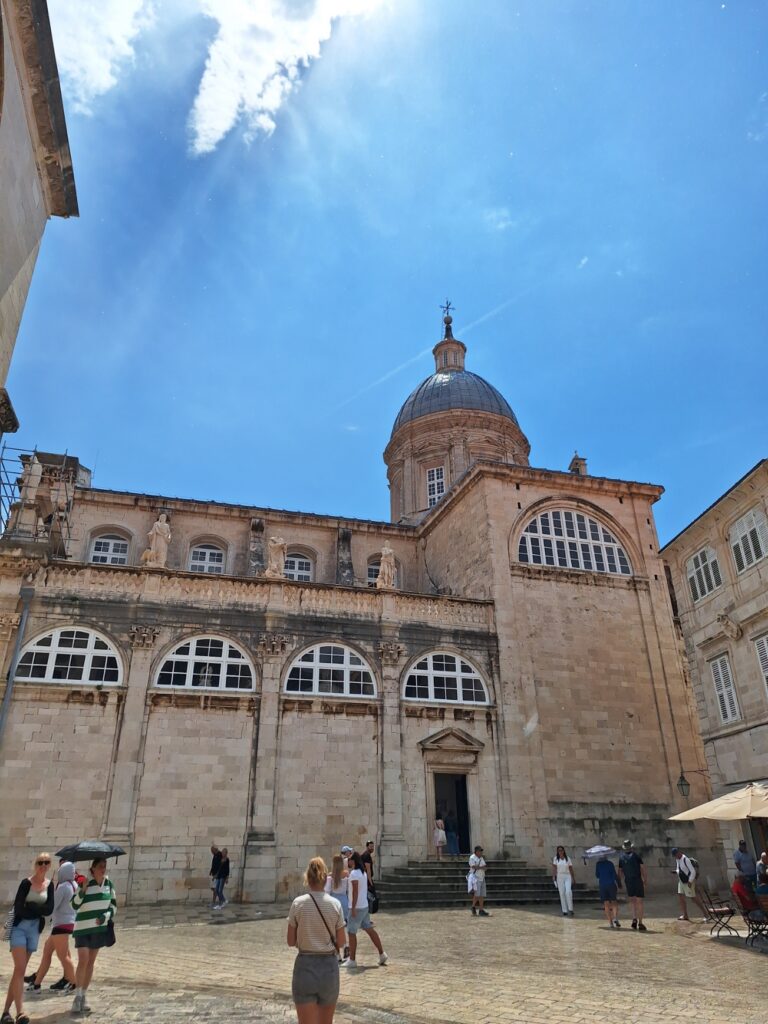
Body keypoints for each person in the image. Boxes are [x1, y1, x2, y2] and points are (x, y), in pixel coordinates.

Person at [287, 857, 346, 1024]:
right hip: (328, 968)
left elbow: (291, 941)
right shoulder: (335, 905)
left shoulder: (298, 904)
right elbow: (341, 942)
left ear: (307, 878)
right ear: (324, 878)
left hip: (305, 967)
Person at [2, 852, 54, 1024]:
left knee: (20, 971)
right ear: (35, 864)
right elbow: (19, 908)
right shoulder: (26, 883)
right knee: (20, 967)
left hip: (34, 930)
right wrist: (37, 908)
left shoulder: (49, 885)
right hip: (20, 927)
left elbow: (49, 909)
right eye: (40, 862)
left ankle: (5, 1013)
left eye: (46, 862)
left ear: (49, 865)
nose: (43, 865)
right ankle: (20, 1012)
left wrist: (32, 906)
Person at [71, 857, 117, 1015]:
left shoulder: (109, 885)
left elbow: (113, 906)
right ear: (93, 869)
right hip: (83, 928)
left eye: (104, 866)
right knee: (83, 960)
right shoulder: (85, 883)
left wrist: (106, 916)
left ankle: (84, 995)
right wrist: (82, 891)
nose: (103, 869)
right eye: (100, 866)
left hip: (98, 928)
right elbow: (74, 904)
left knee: (90, 962)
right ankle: (77, 996)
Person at [25, 861, 77, 994]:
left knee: (63, 956)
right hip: (66, 922)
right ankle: (36, 985)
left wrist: (50, 891)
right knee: (47, 952)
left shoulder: (64, 887)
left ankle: (75, 984)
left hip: (61, 924)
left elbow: (53, 904)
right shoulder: (74, 885)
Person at [343, 852, 388, 968]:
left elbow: (355, 891)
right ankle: (382, 953)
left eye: (349, 859)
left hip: (356, 907)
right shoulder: (362, 873)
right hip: (364, 906)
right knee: (369, 929)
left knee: (351, 932)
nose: (348, 862)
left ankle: (352, 960)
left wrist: (352, 908)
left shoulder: (354, 874)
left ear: (353, 861)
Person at [618, 839, 648, 931]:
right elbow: (642, 868)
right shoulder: (636, 856)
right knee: (640, 901)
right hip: (637, 880)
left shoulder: (621, 858)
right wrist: (645, 879)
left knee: (632, 901)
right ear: (631, 847)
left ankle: (634, 919)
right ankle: (640, 922)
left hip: (628, 881)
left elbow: (620, 871)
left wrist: (620, 882)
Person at [671, 847, 707, 921]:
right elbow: (679, 868)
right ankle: (685, 915)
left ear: (678, 853)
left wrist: (690, 881)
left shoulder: (685, 859)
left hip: (688, 881)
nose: (675, 856)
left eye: (675, 855)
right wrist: (676, 871)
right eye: (674, 855)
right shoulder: (677, 859)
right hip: (681, 880)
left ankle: (706, 914)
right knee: (680, 896)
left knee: (693, 898)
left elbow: (693, 871)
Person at [324, 856, 349, 960]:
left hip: (334, 902)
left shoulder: (330, 876)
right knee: (343, 927)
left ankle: (338, 954)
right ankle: (346, 946)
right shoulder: (347, 874)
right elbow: (348, 890)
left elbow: (327, 891)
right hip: (344, 901)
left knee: (334, 929)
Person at [595, 855, 620, 928]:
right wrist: (618, 883)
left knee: (606, 904)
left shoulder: (598, 864)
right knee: (614, 901)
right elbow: (614, 875)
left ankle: (610, 923)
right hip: (611, 884)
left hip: (603, 885)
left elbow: (597, 875)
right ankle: (615, 917)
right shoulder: (610, 863)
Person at [551, 846, 575, 916]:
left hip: (567, 876)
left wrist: (573, 878)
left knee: (568, 891)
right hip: (560, 876)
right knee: (562, 893)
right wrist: (553, 876)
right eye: (559, 850)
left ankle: (570, 908)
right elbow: (554, 868)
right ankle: (564, 910)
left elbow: (570, 868)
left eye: (561, 850)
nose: (560, 852)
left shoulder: (568, 858)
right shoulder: (556, 859)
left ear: (564, 851)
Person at [468, 846, 489, 916]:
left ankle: (481, 909)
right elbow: (473, 866)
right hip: (476, 878)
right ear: (476, 851)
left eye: (481, 851)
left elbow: (485, 866)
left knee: (482, 895)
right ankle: (473, 906)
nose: (481, 852)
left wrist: (483, 868)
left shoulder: (481, 858)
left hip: (482, 877)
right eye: (480, 851)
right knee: (477, 894)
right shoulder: (472, 857)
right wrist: (482, 867)